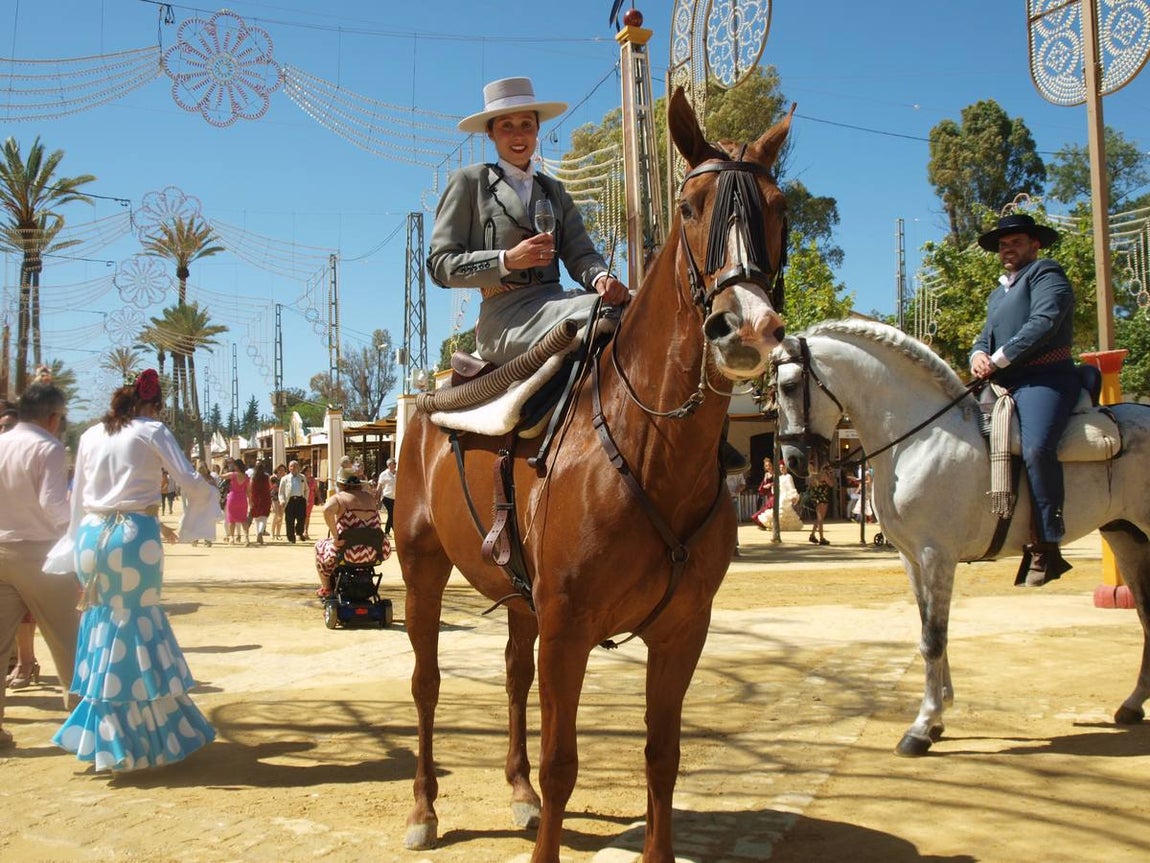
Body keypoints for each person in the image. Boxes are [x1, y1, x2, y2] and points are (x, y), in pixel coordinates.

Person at [50, 369, 218, 772]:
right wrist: (207, 498)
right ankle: (143, 740)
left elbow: (78, 497)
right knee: (136, 623)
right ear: (152, 404)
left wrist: (72, 542)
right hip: (132, 537)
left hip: (92, 536)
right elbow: (187, 479)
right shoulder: (151, 430)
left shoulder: (91, 434)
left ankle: (106, 733)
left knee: (104, 621)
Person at [970, 213, 1077, 585]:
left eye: (1015, 242)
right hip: (1002, 384)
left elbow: (1044, 322)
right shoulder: (997, 293)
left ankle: (1048, 540)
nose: (1007, 249)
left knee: (1035, 448)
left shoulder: (1047, 273)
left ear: (1035, 244)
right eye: (1003, 245)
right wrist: (977, 355)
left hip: (1045, 379)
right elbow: (984, 336)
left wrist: (998, 359)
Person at [0, 383, 79, 749]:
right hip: (40, 553)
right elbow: (54, 504)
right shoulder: (48, 447)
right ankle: (84, 725)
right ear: (53, 417)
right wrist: (76, 538)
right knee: (67, 640)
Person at [313, 467, 390, 597]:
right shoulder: (370, 498)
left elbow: (327, 510)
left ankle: (326, 588)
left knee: (319, 546)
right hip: (375, 551)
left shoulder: (340, 498)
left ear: (340, 484)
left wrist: (335, 536)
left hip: (348, 551)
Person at [222, 458, 251, 545]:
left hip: (233, 498)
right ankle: (246, 538)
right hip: (242, 499)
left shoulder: (233, 474)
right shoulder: (246, 477)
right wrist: (250, 500)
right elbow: (248, 491)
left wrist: (224, 466)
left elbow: (221, 476)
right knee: (243, 519)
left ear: (237, 466)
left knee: (232, 519)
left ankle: (231, 538)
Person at [279, 460, 308, 544]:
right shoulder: (285, 479)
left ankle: (299, 532)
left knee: (302, 518)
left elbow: (306, 489)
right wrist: (282, 500)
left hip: (300, 501)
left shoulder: (302, 477)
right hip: (290, 501)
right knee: (289, 520)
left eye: (295, 466)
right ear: (289, 468)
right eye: (291, 466)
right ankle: (291, 537)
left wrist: (305, 499)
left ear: (298, 467)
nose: (293, 468)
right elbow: (281, 492)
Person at [807, 464, 834, 545]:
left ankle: (812, 535)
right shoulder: (824, 475)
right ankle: (821, 538)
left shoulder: (812, 477)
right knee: (820, 518)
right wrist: (831, 476)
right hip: (822, 498)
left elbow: (811, 487)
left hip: (815, 498)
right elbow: (831, 484)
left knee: (818, 518)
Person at [248, 461, 272, 545]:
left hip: (255, 498)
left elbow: (250, 489)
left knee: (257, 517)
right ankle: (260, 533)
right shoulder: (267, 476)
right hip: (265, 498)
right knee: (264, 517)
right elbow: (270, 486)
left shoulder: (252, 477)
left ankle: (258, 533)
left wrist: (250, 500)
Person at [751, 458, 775, 530]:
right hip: (769, 494)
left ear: (772, 465)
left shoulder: (775, 473)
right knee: (769, 509)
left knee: (769, 507)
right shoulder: (766, 474)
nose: (768, 467)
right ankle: (765, 524)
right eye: (766, 466)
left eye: (769, 465)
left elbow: (779, 481)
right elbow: (763, 484)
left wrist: (771, 484)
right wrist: (764, 485)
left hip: (774, 493)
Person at [376, 456, 397, 537]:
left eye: (395, 463)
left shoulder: (398, 473)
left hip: (395, 498)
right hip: (387, 497)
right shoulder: (383, 474)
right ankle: (387, 532)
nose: (395, 465)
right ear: (389, 465)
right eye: (394, 463)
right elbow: (379, 486)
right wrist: (377, 498)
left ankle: (393, 530)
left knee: (393, 515)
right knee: (391, 514)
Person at [269, 463, 287, 540]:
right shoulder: (273, 478)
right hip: (275, 497)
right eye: (280, 470)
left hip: (282, 498)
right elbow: (270, 487)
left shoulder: (286, 478)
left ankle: (278, 534)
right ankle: (272, 532)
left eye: (283, 470)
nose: (281, 471)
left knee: (281, 516)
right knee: (276, 514)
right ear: (277, 470)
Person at [302, 463, 318, 542]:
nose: (309, 472)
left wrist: (320, 499)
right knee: (301, 516)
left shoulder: (313, 480)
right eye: (307, 471)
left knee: (307, 516)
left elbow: (316, 490)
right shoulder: (301, 479)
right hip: (302, 499)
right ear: (304, 471)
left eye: (310, 471)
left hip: (310, 499)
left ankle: (306, 531)